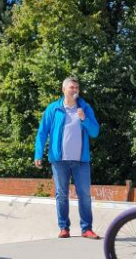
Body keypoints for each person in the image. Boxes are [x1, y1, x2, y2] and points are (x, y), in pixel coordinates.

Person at [34, 77, 101, 239]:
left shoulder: (85, 108)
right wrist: (38, 153)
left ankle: (87, 229)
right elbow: (42, 132)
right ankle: (64, 228)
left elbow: (95, 132)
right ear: (63, 89)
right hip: (59, 161)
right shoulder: (53, 109)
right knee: (61, 194)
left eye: (77, 87)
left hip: (81, 161)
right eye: (72, 87)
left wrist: (84, 119)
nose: (75, 90)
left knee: (84, 194)